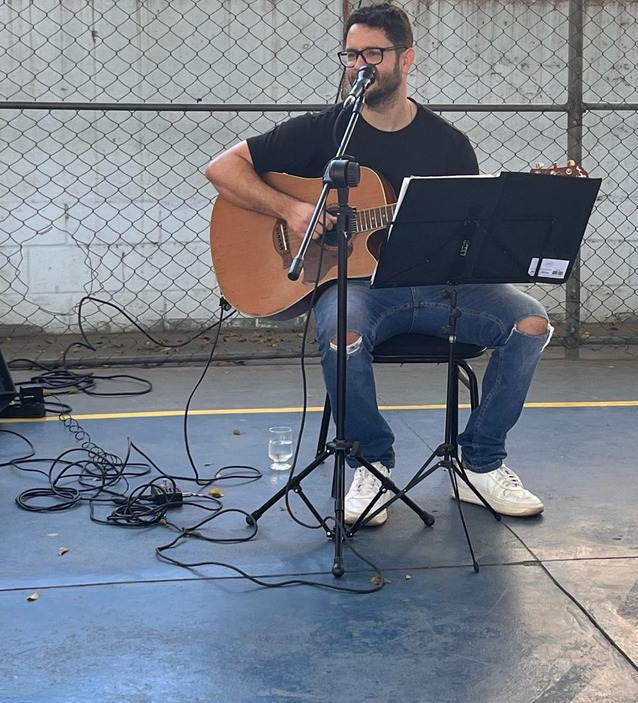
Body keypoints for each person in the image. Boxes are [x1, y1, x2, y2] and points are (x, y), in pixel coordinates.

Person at [206, 2, 552, 527]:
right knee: (340, 331)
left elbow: (469, 243)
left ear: (406, 59)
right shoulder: (326, 130)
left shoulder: (447, 145)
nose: (358, 65)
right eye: (351, 54)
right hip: (360, 289)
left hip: (437, 288)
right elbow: (222, 168)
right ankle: (371, 464)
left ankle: (479, 462)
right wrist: (292, 210)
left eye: (373, 53)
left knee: (530, 322)